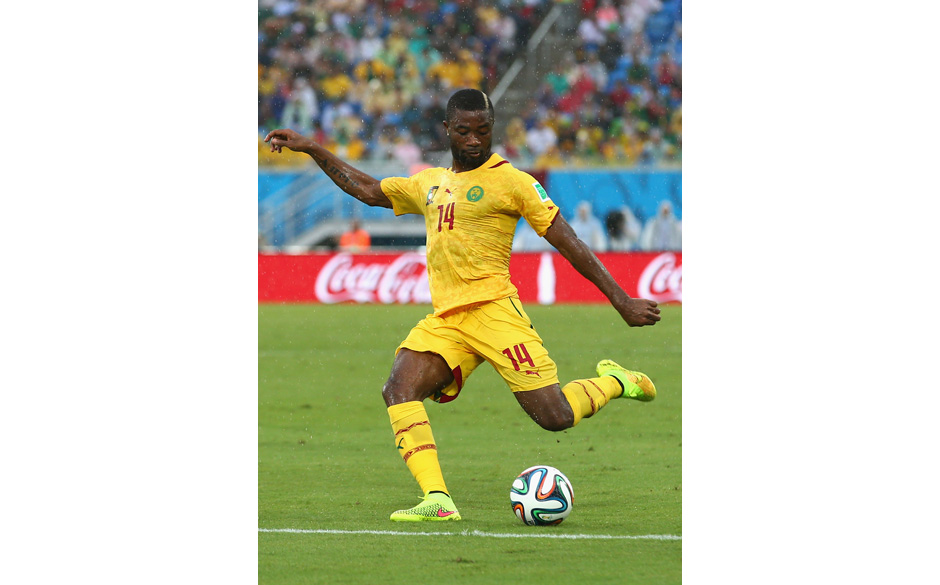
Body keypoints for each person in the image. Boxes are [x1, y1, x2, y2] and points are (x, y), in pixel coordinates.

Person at [264, 88, 661, 523]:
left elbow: (570, 242)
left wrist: (622, 301)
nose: (474, 140)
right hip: (448, 319)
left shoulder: (514, 182)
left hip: (495, 312)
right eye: (464, 131)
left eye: (483, 130)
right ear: (447, 130)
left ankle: (617, 381)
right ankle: (438, 499)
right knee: (399, 389)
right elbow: (369, 190)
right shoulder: (430, 182)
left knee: (556, 417)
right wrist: (313, 148)